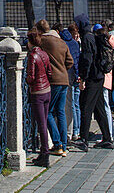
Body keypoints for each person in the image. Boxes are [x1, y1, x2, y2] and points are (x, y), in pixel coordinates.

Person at [74, 14, 113, 149]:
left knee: (86, 107)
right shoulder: (93, 36)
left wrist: (82, 77)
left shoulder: (86, 38)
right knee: (99, 108)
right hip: (99, 75)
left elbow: (87, 60)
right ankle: (107, 138)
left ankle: (83, 139)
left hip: (92, 77)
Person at [36, 19, 73, 156]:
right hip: (64, 79)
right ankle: (64, 144)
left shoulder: (43, 41)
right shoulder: (61, 41)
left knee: (48, 112)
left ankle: (57, 143)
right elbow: (70, 61)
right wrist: (63, 69)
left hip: (53, 80)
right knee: (61, 112)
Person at [26, 27, 52, 168]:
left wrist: (26, 81)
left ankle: (45, 154)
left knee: (41, 124)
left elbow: (31, 77)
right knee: (45, 121)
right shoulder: (44, 54)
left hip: (38, 92)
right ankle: (43, 152)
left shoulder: (32, 56)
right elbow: (49, 71)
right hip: (47, 90)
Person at [60, 23, 81, 142]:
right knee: (75, 103)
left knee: (69, 104)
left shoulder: (63, 44)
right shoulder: (75, 43)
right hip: (75, 75)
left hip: (68, 75)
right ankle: (76, 130)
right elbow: (77, 59)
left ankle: (70, 131)